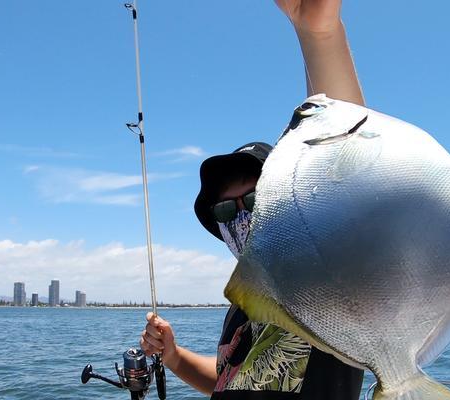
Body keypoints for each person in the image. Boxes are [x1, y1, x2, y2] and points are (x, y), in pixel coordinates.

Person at [140, 0, 366, 398]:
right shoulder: (243, 303)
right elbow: (232, 380)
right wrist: (174, 357)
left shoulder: (324, 278)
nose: (242, 215)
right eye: (227, 209)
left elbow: (342, 156)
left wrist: (319, 32)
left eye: (256, 197)